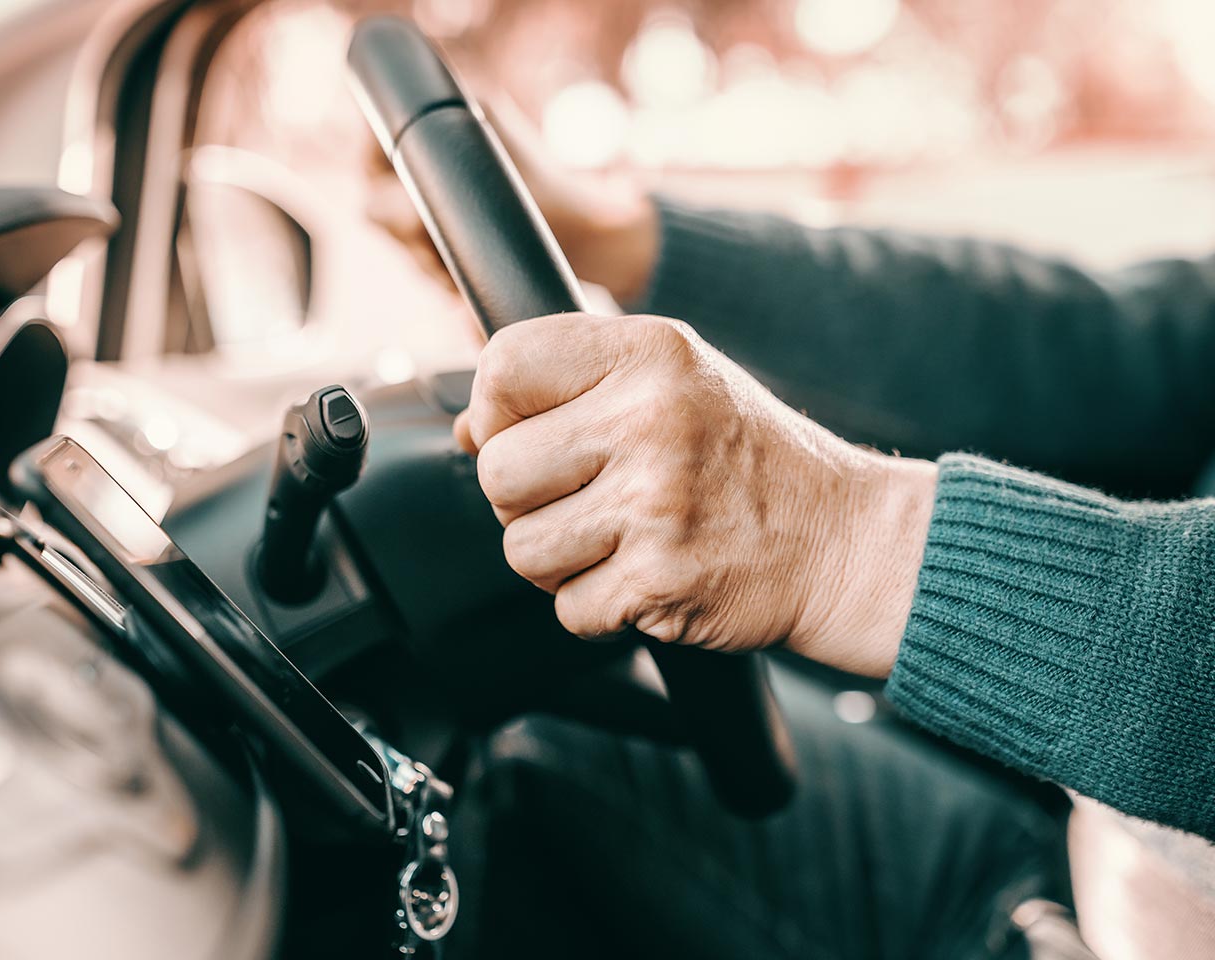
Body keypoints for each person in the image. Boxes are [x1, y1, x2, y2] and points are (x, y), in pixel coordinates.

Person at [371, 107, 1215, 959]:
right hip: (1091, 848)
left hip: (1102, 925)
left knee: (501, 752)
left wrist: (847, 539)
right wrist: (626, 240)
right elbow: (1099, 347)